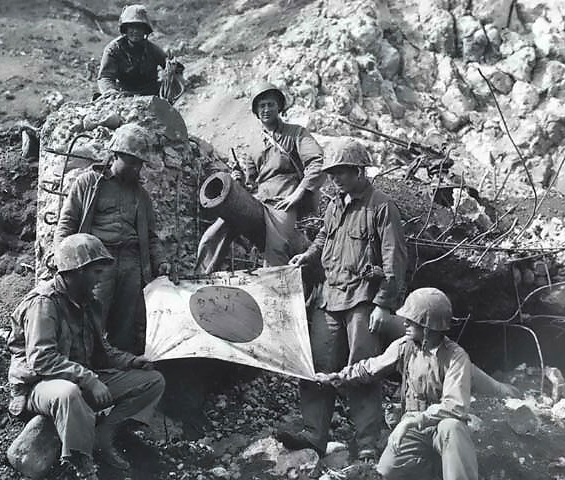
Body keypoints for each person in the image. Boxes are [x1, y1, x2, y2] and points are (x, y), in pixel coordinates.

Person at [278, 139, 408, 460]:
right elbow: (324, 237)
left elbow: (394, 257)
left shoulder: (381, 206)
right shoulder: (335, 204)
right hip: (328, 297)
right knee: (318, 366)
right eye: (332, 173)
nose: (335, 179)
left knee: (362, 369)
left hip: (363, 300)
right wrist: (307, 256)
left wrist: (383, 304)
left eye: (342, 172)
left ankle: (366, 442)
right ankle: (313, 435)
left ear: (359, 170)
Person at [7, 234, 166, 479]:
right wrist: (89, 379)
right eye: (96, 272)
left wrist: (132, 362)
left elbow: (102, 351)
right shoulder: (44, 303)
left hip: (79, 379)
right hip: (39, 386)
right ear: (77, 272)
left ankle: (104, 437)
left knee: (152, 381)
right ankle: (82, 462)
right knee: (67, 393)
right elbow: (41, 359)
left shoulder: (87, 303)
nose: (100, 278)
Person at [316, 288, 479, 480]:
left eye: (411, 320)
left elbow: (455, 407)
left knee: (452, 427)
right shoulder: (405, 346)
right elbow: (371, 367)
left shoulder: (456, 357)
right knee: (387, 471)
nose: (404, 323)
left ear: (426, 326)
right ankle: (436, 470)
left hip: (440, 425)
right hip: (414, 426)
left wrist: (412, 421)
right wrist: (339, 376)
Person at [54, 123, 170, 355]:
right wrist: (61, 258)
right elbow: (67, 222)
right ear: (116, 155)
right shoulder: (88, 183)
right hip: (96, 262)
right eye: (133, 162)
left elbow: (150, 237)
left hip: (131, 262)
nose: (137, 168)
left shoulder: (141, 195)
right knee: (92, 316)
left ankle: (119, 369)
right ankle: (87, 365)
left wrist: (160, 261)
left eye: (140, 163)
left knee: (126, 321)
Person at [196, 81, 324, 273]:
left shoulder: (296, 133)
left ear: (279, 107)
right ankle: (201, 276)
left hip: (283, 201)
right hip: (259, 199)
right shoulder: (253, 144)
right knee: (213, 235)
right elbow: (250, 182)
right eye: (261, 106)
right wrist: (237, 179)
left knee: (277, 246)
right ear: (256, 110)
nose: (266, 109)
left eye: (270, 104)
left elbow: (316, 162)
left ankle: (278, 294)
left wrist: (298, 193)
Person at [97, 4, 184, 96]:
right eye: (131, 27)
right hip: (123, 94)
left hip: (151, 93)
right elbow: (105, 77)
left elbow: (175, 68)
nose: (135, 31)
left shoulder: (153, 50)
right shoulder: (113, 50)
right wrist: (111, 91)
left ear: (145, 30)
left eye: (139, 27)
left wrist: (172, 71)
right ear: (125, 29)